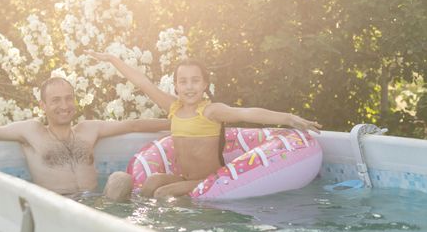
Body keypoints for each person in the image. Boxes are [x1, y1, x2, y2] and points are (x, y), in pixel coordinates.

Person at [87, 51, 322, 198]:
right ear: (176, 86)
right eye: (183, 82)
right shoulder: (174, 107)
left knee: (162, 192)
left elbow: (247, 112)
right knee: (151, 183)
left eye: (195, 81)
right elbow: (142, 82)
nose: (189, 87)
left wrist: (289, 118)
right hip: (184, 178)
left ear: (205, 84)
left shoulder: (210, 110)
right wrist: (112, 60)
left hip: (209, 180)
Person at [0, 77, 169, 201]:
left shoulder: (90, 129)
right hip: (56, 206)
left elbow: (134, 124)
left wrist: (179, 124)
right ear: (43, 105)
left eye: (68, 98)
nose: (64, 105)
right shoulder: (31, 131)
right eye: (56, 100)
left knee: (121, 180)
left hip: (98, 203)